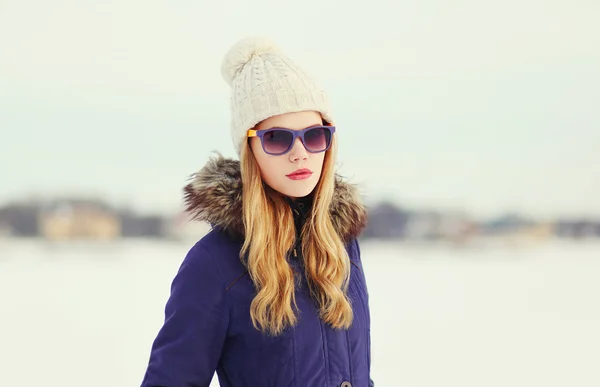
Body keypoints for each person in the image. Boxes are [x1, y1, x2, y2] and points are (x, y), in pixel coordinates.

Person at [140, 36, 374, 387]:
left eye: (314, 136)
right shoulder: (216, 264)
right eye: (278, 138)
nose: (300, 154)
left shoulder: (340, 246)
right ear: (250, 149)